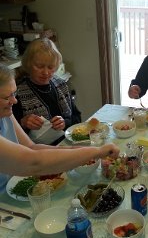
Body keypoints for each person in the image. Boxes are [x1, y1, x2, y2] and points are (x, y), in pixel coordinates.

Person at [0, 64, 119, 193]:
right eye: (7, 97)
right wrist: (97, 152)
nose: (15, 100)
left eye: (14, 93)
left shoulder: (5, 114)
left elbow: (31, 147)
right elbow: (33, 162)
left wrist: (80, 150)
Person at [12, 38, 81, 145]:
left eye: (50, 67)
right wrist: (23, 123)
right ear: (29, 64)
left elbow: (77, 118)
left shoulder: (62, 85)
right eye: (39, 66)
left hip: (65, 144)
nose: (46, 72)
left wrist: (65, 123)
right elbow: (9, 134)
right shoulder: (17, 93)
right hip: (38, 153)